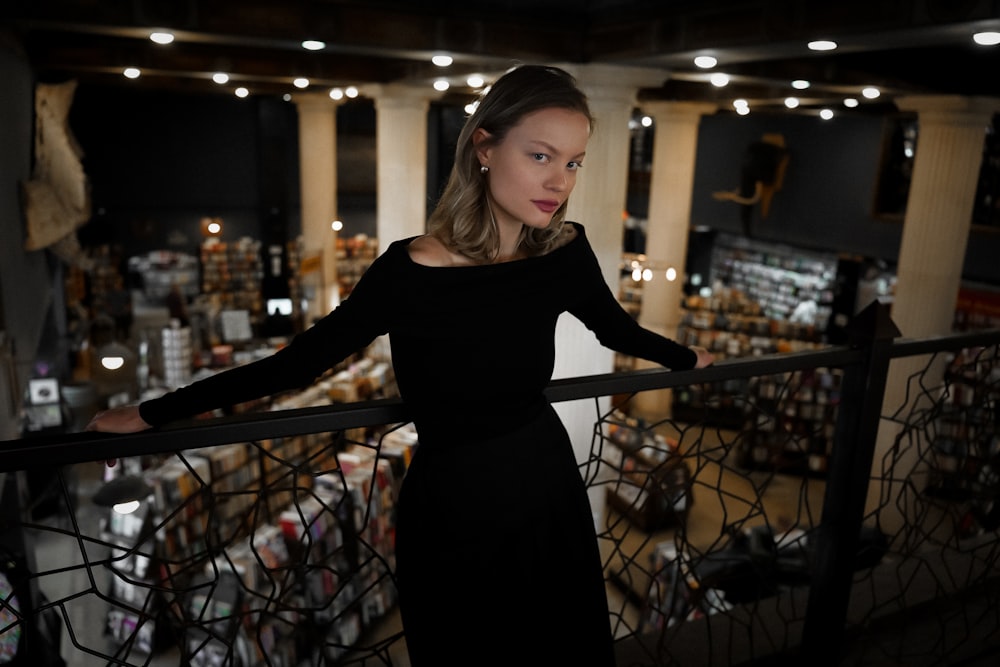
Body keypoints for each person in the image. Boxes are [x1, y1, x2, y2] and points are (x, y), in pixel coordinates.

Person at [88, 64, 714, 665]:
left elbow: (616, 327)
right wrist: (150, 413)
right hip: (455, 502)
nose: (559, 182)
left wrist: (685, 357)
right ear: (485, 149)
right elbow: (296, 364)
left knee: (559, 639)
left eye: (573, 162)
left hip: (544, 482)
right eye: (541, 156)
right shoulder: (410, 271)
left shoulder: (564, 253)